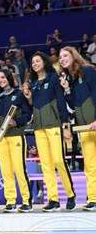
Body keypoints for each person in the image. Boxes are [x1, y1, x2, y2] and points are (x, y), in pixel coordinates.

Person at [22, 51, 76, 212]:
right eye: (32, 62)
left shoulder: (53, 78)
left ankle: (70, 194)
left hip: (54, 125)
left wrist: (65, 124)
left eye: (37, 61)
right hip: (39, 128)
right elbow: (33, 105)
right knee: (46, 165)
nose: (35, 64)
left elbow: (60, 101)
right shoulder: (33, 83)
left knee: (59, 161)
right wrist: (29, 97)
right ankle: (53, 199)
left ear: (44, 62)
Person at [0, 69, 32, 213]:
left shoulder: (18, 94)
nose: (1, 80)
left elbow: (28, 115)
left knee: (19, 169)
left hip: (16, 136)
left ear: (9, 78)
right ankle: (10, 201)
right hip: (1, 138)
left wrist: (16, 122)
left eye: (3, 77)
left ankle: (26, 200)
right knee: (6, 171)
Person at [59, 46, 96, 211]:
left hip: (94, 123)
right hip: (85, 128)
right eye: (60, 57)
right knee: (90, 165)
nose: (62, 59)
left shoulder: (88, 70)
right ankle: (93, 198)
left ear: (74, 56)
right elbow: (73, 107)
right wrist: (66, 89)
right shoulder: (71, 79)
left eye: (65, 55)